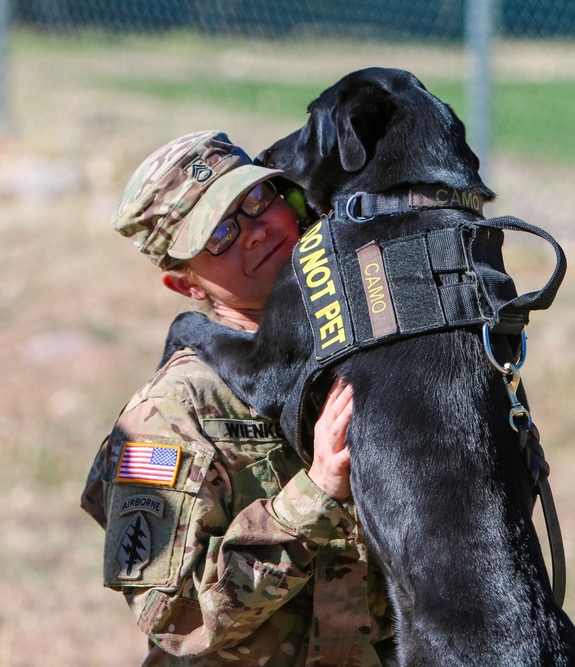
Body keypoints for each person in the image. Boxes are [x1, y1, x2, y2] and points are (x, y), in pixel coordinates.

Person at [80, 130, 396, 666]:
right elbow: (174, 617)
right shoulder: (171, 415)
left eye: (255, 201)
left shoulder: (370, 344)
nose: (253, 231)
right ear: (188, 287)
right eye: (221, 234)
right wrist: (315, 494)